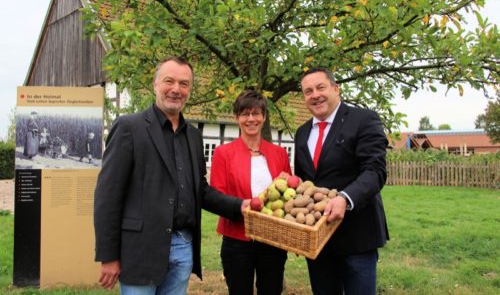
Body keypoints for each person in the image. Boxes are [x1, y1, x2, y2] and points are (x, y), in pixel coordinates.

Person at [94, 56, 249, 295]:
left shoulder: (194, 137)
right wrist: (109, 256)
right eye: (169, 81)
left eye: (184, 84)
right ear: (155, 84)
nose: (176, 89)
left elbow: (201, 190)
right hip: (141, 249)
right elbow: (108, 196)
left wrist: (240, 206)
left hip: (183, 247)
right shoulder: (129, 128)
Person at [294, 67, 389, 295]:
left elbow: (375, 170)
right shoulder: (302, 132)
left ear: (336, 89)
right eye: (308, 91)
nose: (315, 95)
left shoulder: (364, 119)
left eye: (320, 87)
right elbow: (304, 184)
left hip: (357, 236)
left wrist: (345, 199)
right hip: (318, 240)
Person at [210, 90, 291, 295]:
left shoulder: (279, 153)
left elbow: (289, 196)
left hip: (273, 239)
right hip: (237, 239)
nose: (251, 119)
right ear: (236, 117)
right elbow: (217, 197)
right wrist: (241, 206)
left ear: (263, 117)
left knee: (271, 291)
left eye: (256, 113)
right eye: (245, 114)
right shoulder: (223, 153)